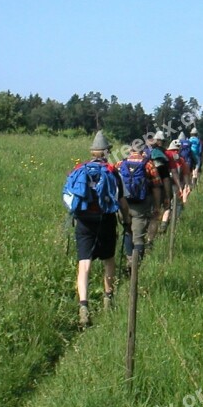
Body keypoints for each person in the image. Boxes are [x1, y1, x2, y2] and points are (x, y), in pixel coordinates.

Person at [69, 131, 131, 327]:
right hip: (105, 220)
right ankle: (107, 298)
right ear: (106, 152)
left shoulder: (79, 169)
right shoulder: (112, 172)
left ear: (92, 152)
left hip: (84, 221)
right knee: (108, 260)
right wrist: (126, 221)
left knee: (84, 264)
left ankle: (84, 306)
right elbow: (121, 201)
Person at [116, 143, 163, 272]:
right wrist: (157, 206)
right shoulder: (148, 164)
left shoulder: (120, 164)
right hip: (141, 205)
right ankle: (137, 267)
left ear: (130, 150)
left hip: (123, 204)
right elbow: (156, 186)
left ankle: (129, 261)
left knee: (127, 231)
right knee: (138, 236)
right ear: (143, 151)